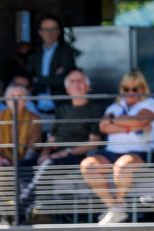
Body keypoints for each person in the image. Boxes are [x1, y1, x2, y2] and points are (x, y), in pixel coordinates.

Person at [18, 68, 103, 218]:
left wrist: (66, 152)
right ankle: (36, 210)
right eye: (72, 81)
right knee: (23, 166)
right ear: (67, 88)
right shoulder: (62, 109)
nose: (76, 84)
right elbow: (52, 138)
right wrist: (44, 153)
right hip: (55, 155)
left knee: (48, 164)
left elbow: (94, 143)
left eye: (80, 81)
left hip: (77, 156)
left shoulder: (96, 109)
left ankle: (22, 205)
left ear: (87, 86)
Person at [79, 70, 154, 225]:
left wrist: (113, 121)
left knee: (121, 166)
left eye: (135, 89)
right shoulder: (114, 106)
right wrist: (131, 126)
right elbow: (103, 126)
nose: (130, 92)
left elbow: (139, 120)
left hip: (141, 152)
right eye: (126, 88)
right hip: (111, 152)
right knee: (88, 165)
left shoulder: (151, 103)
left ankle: (116, 206)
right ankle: (115, 208)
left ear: (143, 89)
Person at [0, 84, 42, 225]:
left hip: (26, 162)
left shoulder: (34, 118)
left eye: (20, 96)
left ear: (26, 100)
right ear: (6, 99)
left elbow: (33, 147)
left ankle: (29, 216)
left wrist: (20, 163)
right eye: (12, 97)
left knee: (25, 172)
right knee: (4, 173)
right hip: (4, 162)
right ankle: (8, 217)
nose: (16, 100)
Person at [26, 14, 77, 116]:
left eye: (53, 29)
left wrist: (38, 79)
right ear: (40, 32)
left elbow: (62, 80)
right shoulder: (34, 53)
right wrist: (52, 77)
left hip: (61, 106)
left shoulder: (67, 52)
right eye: (46, 29)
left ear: (59, 31)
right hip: (36, 106)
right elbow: (29, 77)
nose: (49, 33)